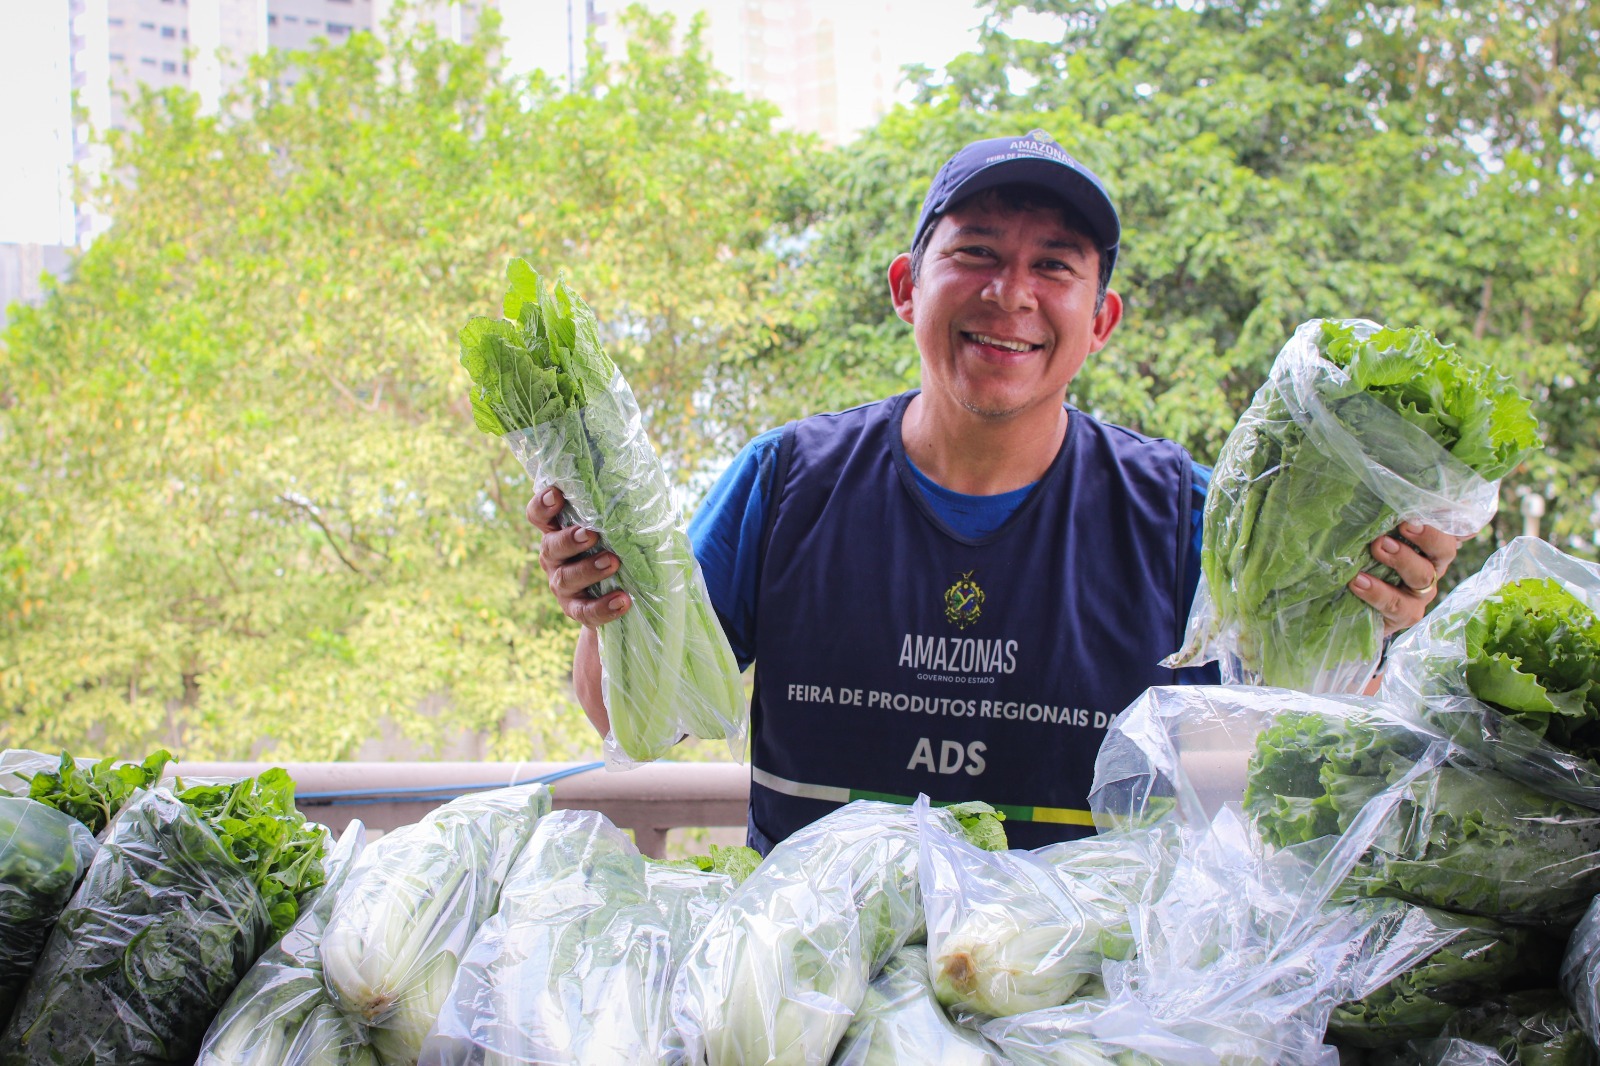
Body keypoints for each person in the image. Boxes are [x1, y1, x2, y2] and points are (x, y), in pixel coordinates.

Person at [528, 129, 1461, 852]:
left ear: (1100, 321)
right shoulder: (784, 482)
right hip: (815, 987)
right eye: (975, 253)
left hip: (1077, 998)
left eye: (1054, 265)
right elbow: (628, 716)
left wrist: (1371, 621)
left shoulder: (1187, 516)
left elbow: (1293, 741)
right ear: (906, 287)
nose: (1011, 293)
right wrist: (603, 609)